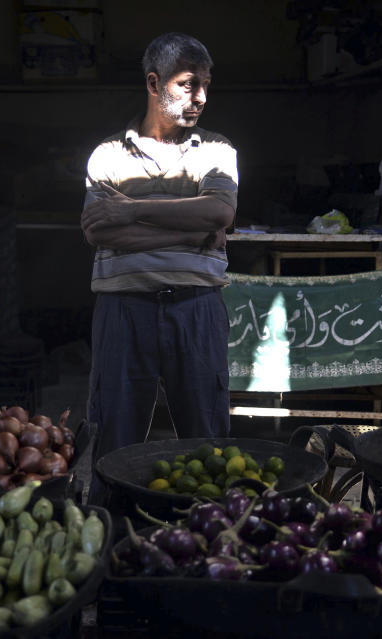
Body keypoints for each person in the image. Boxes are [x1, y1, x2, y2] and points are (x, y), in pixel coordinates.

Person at [80, 32, 238, 506]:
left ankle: (210, 541)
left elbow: (219, 215)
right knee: (115, 439)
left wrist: (129, 211)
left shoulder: (216, 150)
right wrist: (191, 231)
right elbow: (99, 233)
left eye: (206, 85)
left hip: (197, 309)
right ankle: (113, 538)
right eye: (189, 84)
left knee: (207, 440)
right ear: (154, 83)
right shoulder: (107, 156)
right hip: (123, 309)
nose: (202, 97)